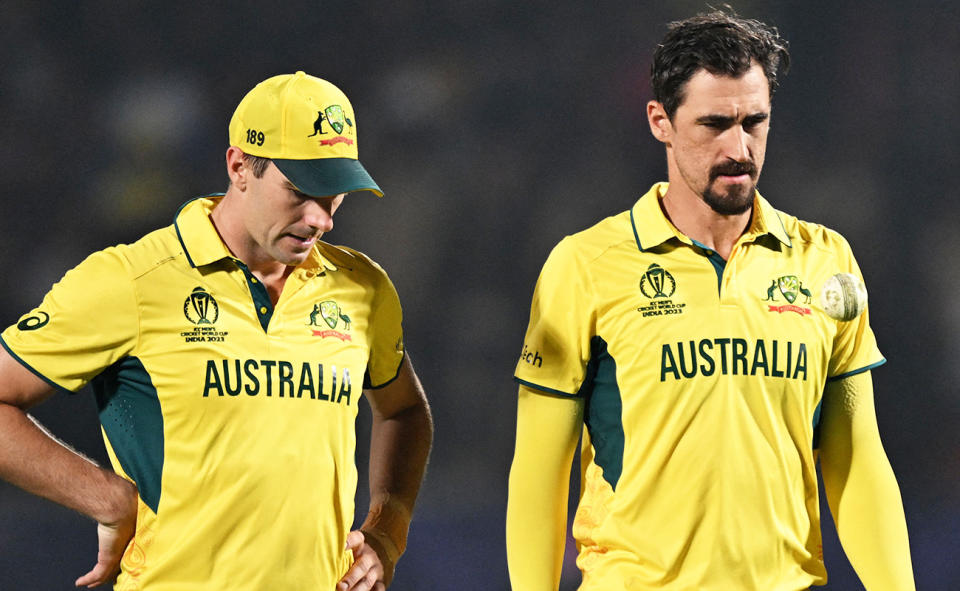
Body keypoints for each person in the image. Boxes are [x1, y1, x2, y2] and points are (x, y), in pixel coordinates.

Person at [506, 10, 914, 591]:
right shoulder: (584, 264)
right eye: (714, 123)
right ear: (660, 122)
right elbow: (539, 474)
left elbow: (858, 460)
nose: (738, 148)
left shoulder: (828, 260)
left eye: (754, 122)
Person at [0, 71, 432, 590]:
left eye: (336, 194)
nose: (322, 219)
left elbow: (404, 410)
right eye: (300, 191)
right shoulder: (132, 280)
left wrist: (387, 534)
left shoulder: (363, 288)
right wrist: (107, 498)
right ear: (238, 166)